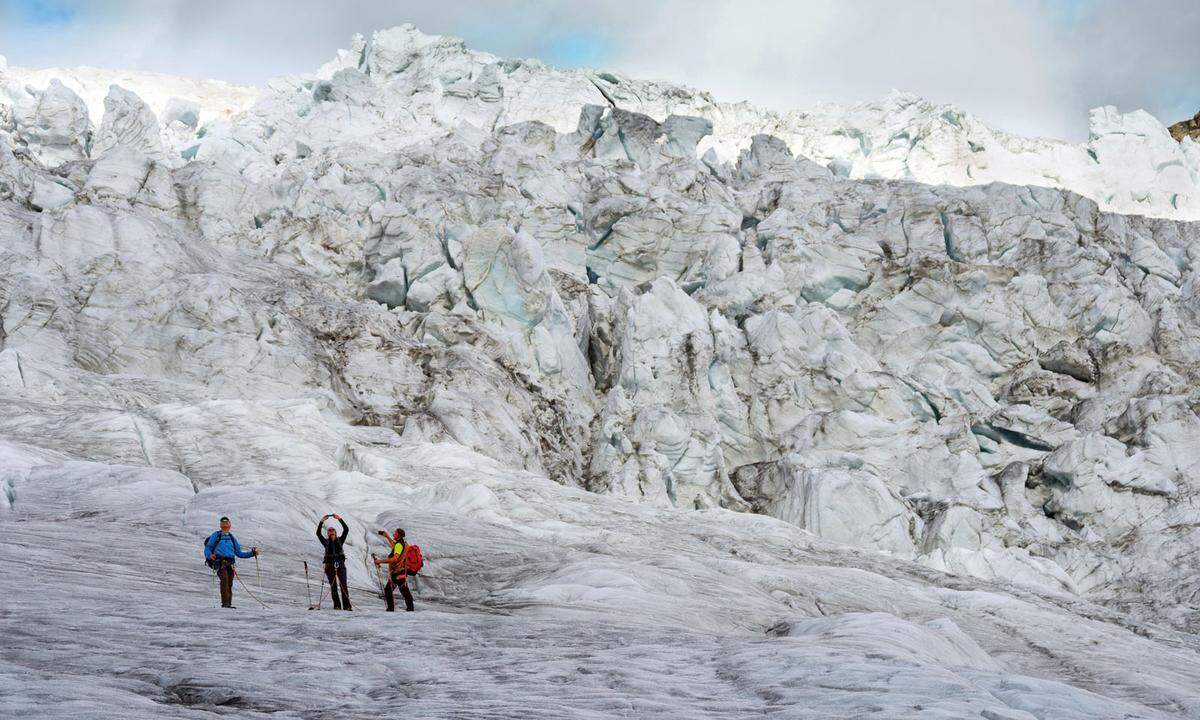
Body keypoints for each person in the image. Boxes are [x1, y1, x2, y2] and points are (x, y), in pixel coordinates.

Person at [204, 516, 259, 608]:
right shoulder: (216, 535)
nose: (225, 525)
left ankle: (228, 604)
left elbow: (239, 553)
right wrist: (209, 555)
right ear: (221, 525)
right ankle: (225, 604)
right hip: (220, 562)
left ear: (229, 525)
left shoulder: (232, 538)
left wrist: (252, 554)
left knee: (229, 583)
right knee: (224, 580)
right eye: (223, 523)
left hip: (230, 564)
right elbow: (208, 547)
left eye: (226, 523)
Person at [373, 528, 414, 612]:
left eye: (395, 533)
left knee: (400, 591)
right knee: (398, 590)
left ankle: (394, 609)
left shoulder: (399, 545)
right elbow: (394, 546)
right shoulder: (403, 544)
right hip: (400, 571)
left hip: (398, 572)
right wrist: (387, 536)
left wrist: (380, 561)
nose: (393, 534)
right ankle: (408, 609)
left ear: (399, 535)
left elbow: (395, 559)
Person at [316, 513, 351, 611]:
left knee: (343, 585)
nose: (331, 531)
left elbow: (346, 530)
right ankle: (337, 605)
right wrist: (322, 521)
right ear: (327, 533)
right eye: (329, 530)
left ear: (335, 532)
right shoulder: (325, 542)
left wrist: (339, 519)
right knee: (333, 586)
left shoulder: (340, 540)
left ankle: (347, 606)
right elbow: (318, 533)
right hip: (329, 566)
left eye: (333, 530)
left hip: (341, 565)